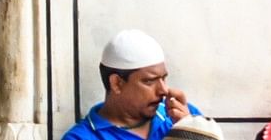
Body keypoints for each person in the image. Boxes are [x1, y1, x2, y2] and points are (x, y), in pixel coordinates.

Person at [60, 30, 201, 140]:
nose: (163, 90)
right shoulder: (81, 138)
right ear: (116, 83)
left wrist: (190, 131)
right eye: (149, 81)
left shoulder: (183, 115)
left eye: (163, 79)